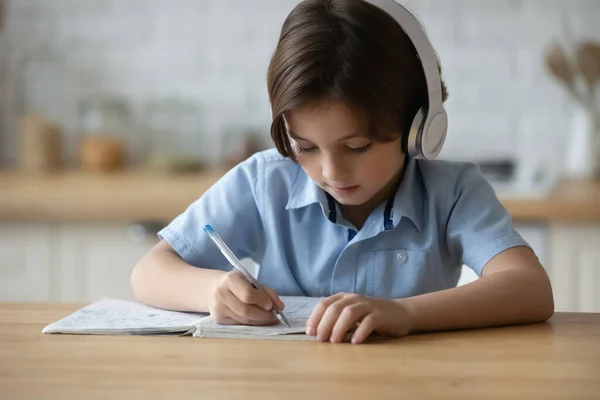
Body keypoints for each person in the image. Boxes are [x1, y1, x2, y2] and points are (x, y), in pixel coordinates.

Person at [131, 0, 554, 344]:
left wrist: (404, 313)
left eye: (357, 146)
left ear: (417, 128)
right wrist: (212, 290)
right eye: (306, 147)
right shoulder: (265, 182)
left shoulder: (453, 191)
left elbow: (530, 288)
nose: (331, 171)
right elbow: (149, 272)